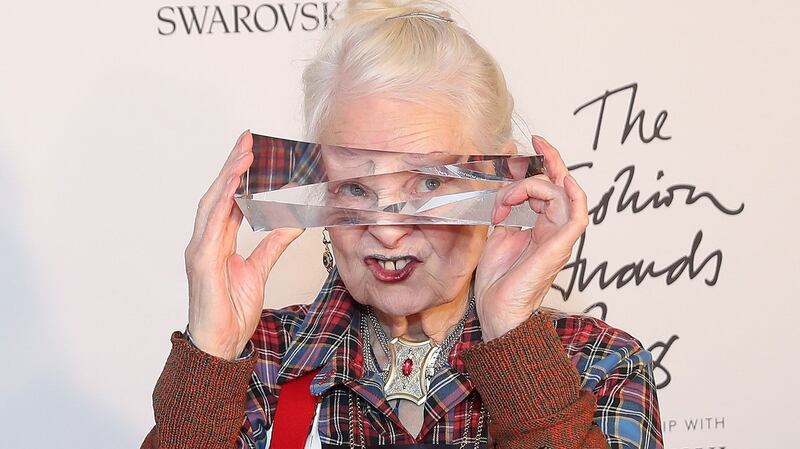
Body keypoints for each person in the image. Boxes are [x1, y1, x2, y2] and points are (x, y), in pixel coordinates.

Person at [141, 1, 663, 448]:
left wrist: (514, 342)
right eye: (354, 188)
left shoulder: (595, 365)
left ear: (503, 187)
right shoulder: (255, 367)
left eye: (429, 185)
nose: (387, 232)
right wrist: (209, 357)